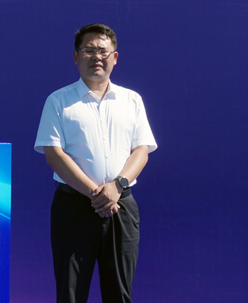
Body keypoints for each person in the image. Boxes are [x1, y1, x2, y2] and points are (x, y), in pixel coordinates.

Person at [34, 23, 157, 303]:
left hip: (121, 205)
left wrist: (117, 186)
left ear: (115, 57)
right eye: (89, 50)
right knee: (71, 293)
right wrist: (97, 194)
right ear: (76, 56)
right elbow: (54, 154)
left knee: (119, 293)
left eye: (103, 50)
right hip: (74, 207)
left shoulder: (131, 100)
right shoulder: (58, 101)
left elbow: (141, 150)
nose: (96, 56)